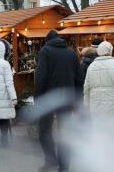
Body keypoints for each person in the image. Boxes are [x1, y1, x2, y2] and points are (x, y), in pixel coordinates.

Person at [34, 30, 83, 172]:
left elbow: (41, 77)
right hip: (67, 99)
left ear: (47, 41)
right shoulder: (71, 53)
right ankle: (64, 167)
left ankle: (51, 160)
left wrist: (38, 100)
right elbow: (79, 79)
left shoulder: (45, 51)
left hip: (49, 99)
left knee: (44, 130)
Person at [84, 41, 114, 124]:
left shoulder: (92, 66)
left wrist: (86, 103)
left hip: (95, 102)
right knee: (112, 123)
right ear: (110, 51)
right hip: (112, 100)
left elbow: (86, 87)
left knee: (98, 125)